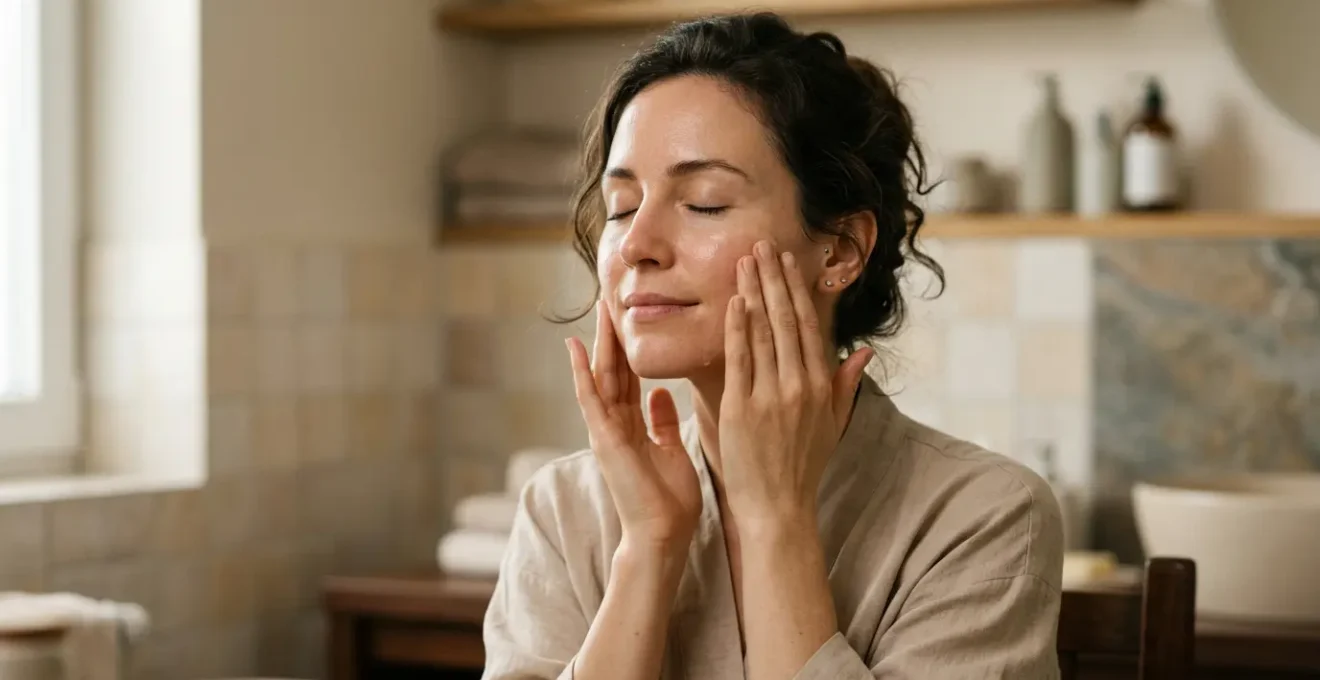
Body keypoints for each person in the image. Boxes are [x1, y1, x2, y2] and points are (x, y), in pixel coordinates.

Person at [482, 11, 1064, 680]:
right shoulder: (564, 510)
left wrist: (775, 522)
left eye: (703, 202)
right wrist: (647, 547)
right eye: (621, 207)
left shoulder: (983, 517)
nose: (636, 245)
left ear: (840, 249)